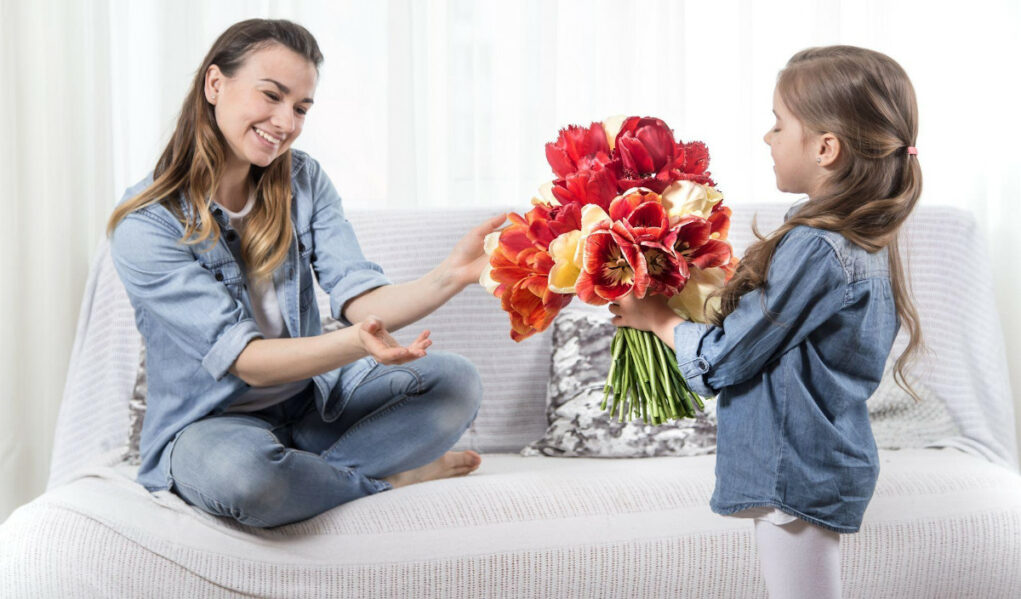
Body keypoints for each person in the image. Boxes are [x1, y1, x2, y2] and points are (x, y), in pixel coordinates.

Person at [107, 18, 506, 528]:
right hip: (210, 427)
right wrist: (358, 344)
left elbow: (361, 300)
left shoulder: (303, 179)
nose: (285, 122)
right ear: (215, 84)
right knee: (249, 481)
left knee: (456, 383)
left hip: (310, 406)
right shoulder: (147, 225)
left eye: (300, 108)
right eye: (271, 95)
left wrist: (452, 274)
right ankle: (388, 480)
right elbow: (246, 361)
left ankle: (314, 478)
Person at [610, 45, 923, 598]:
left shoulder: (817, 247)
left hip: (794, 467)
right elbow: (768, 334)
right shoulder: (855, 238)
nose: (767, 137)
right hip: (812, 460)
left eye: (778, 125)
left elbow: (724, 360)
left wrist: (655, 319)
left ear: (827, 148)